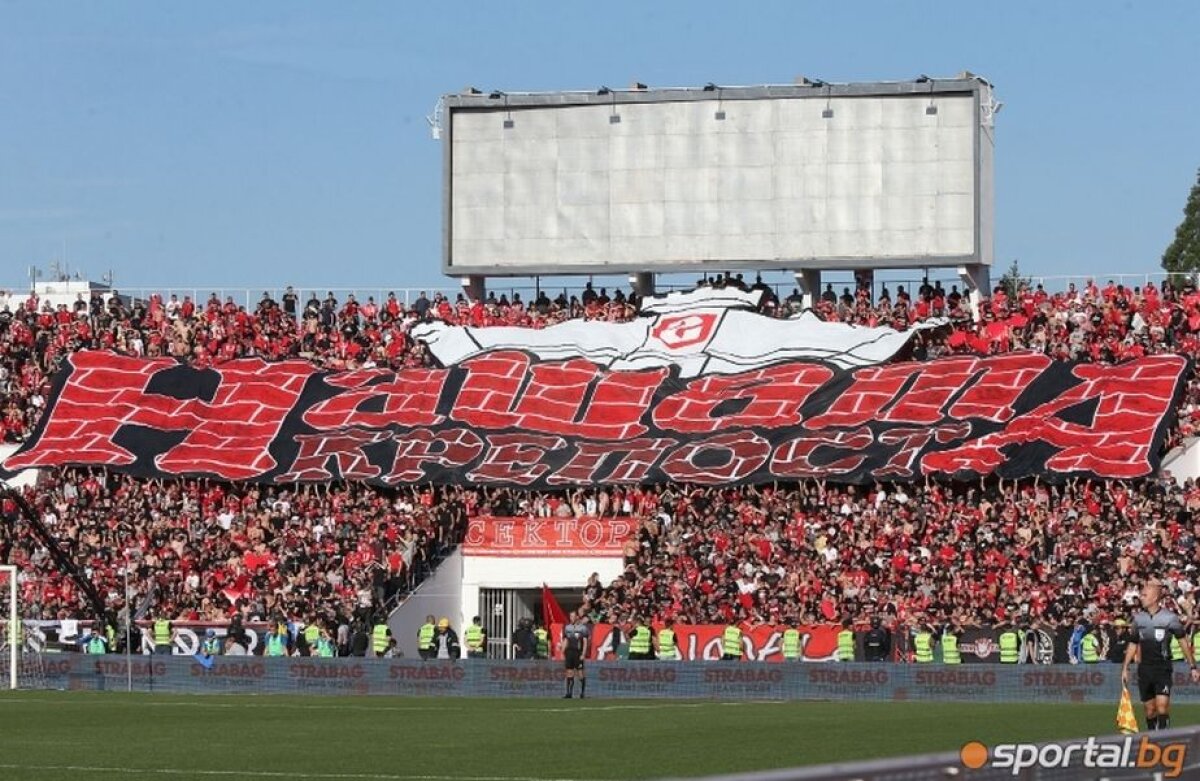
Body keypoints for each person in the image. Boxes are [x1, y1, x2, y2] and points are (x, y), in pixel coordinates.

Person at [1122, 580, 1200, 730]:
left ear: (1154, 598)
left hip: (1162, 668)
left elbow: (1183, 641)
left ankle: (1164, 740)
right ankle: (1152, 737)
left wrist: (1193, 667)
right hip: (1144, 669)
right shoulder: (1138, 619)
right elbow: (1133, 643)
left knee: (1162, 707)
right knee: (1150, 710)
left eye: (1144, 595)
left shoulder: (1169, 618)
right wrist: (1125, 667)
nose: (1141, 598)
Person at [560, 611, 590, 699]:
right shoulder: (567, 628)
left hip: (578, 652)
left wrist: (583, 654)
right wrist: (562, 651)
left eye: (573, 616)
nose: (571, 618)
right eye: (570, 616)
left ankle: (582, 693)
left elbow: (585, 642)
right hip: (569, 652)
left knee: (580, 673)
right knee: (569, 672)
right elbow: (566, 640)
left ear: (577, 617)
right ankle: (569, 693)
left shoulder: (583, 628)